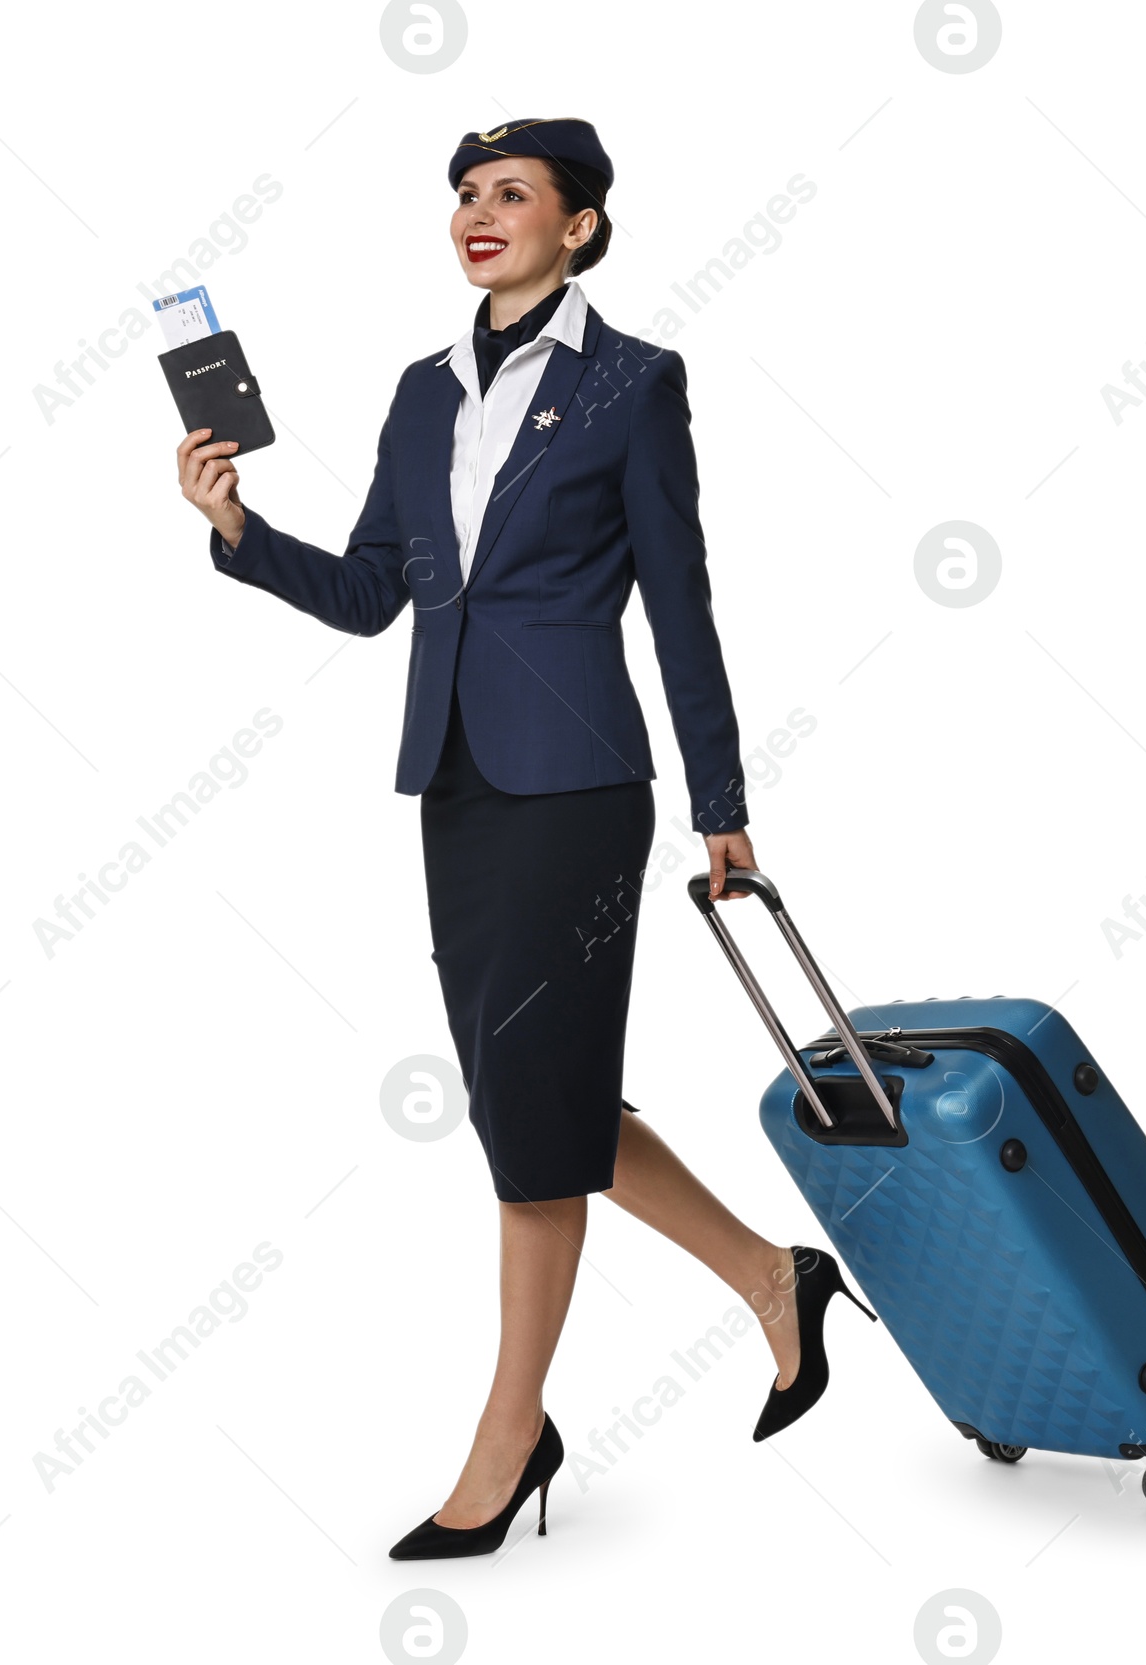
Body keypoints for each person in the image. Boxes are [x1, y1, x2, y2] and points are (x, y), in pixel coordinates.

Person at [175, 117, 875, 1561]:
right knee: (533, 1096)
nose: (477, 213)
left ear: (582, 226)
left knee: (530, 1128)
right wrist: (242, 530)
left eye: (511, 194)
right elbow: (378, 591)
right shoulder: (422, 393)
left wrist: (723, 801)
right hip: (457, 780)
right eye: (464, 195)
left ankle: (509, 1436)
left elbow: (681, 601)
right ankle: (770, 1275)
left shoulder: (631, 383)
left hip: (577, 784)